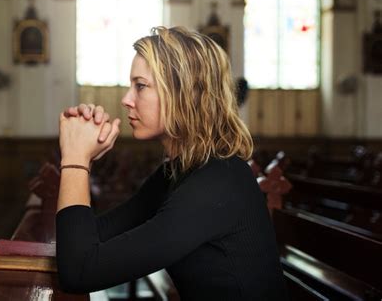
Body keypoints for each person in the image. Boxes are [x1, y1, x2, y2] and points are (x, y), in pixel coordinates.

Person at [56, 26, 289, 300]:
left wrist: (74, 160)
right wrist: (85, 160)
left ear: (183, 94)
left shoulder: (218, 182)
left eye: (140, 86)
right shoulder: (178, 172)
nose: (126, 99)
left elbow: (79, 272)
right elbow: (90, 239)